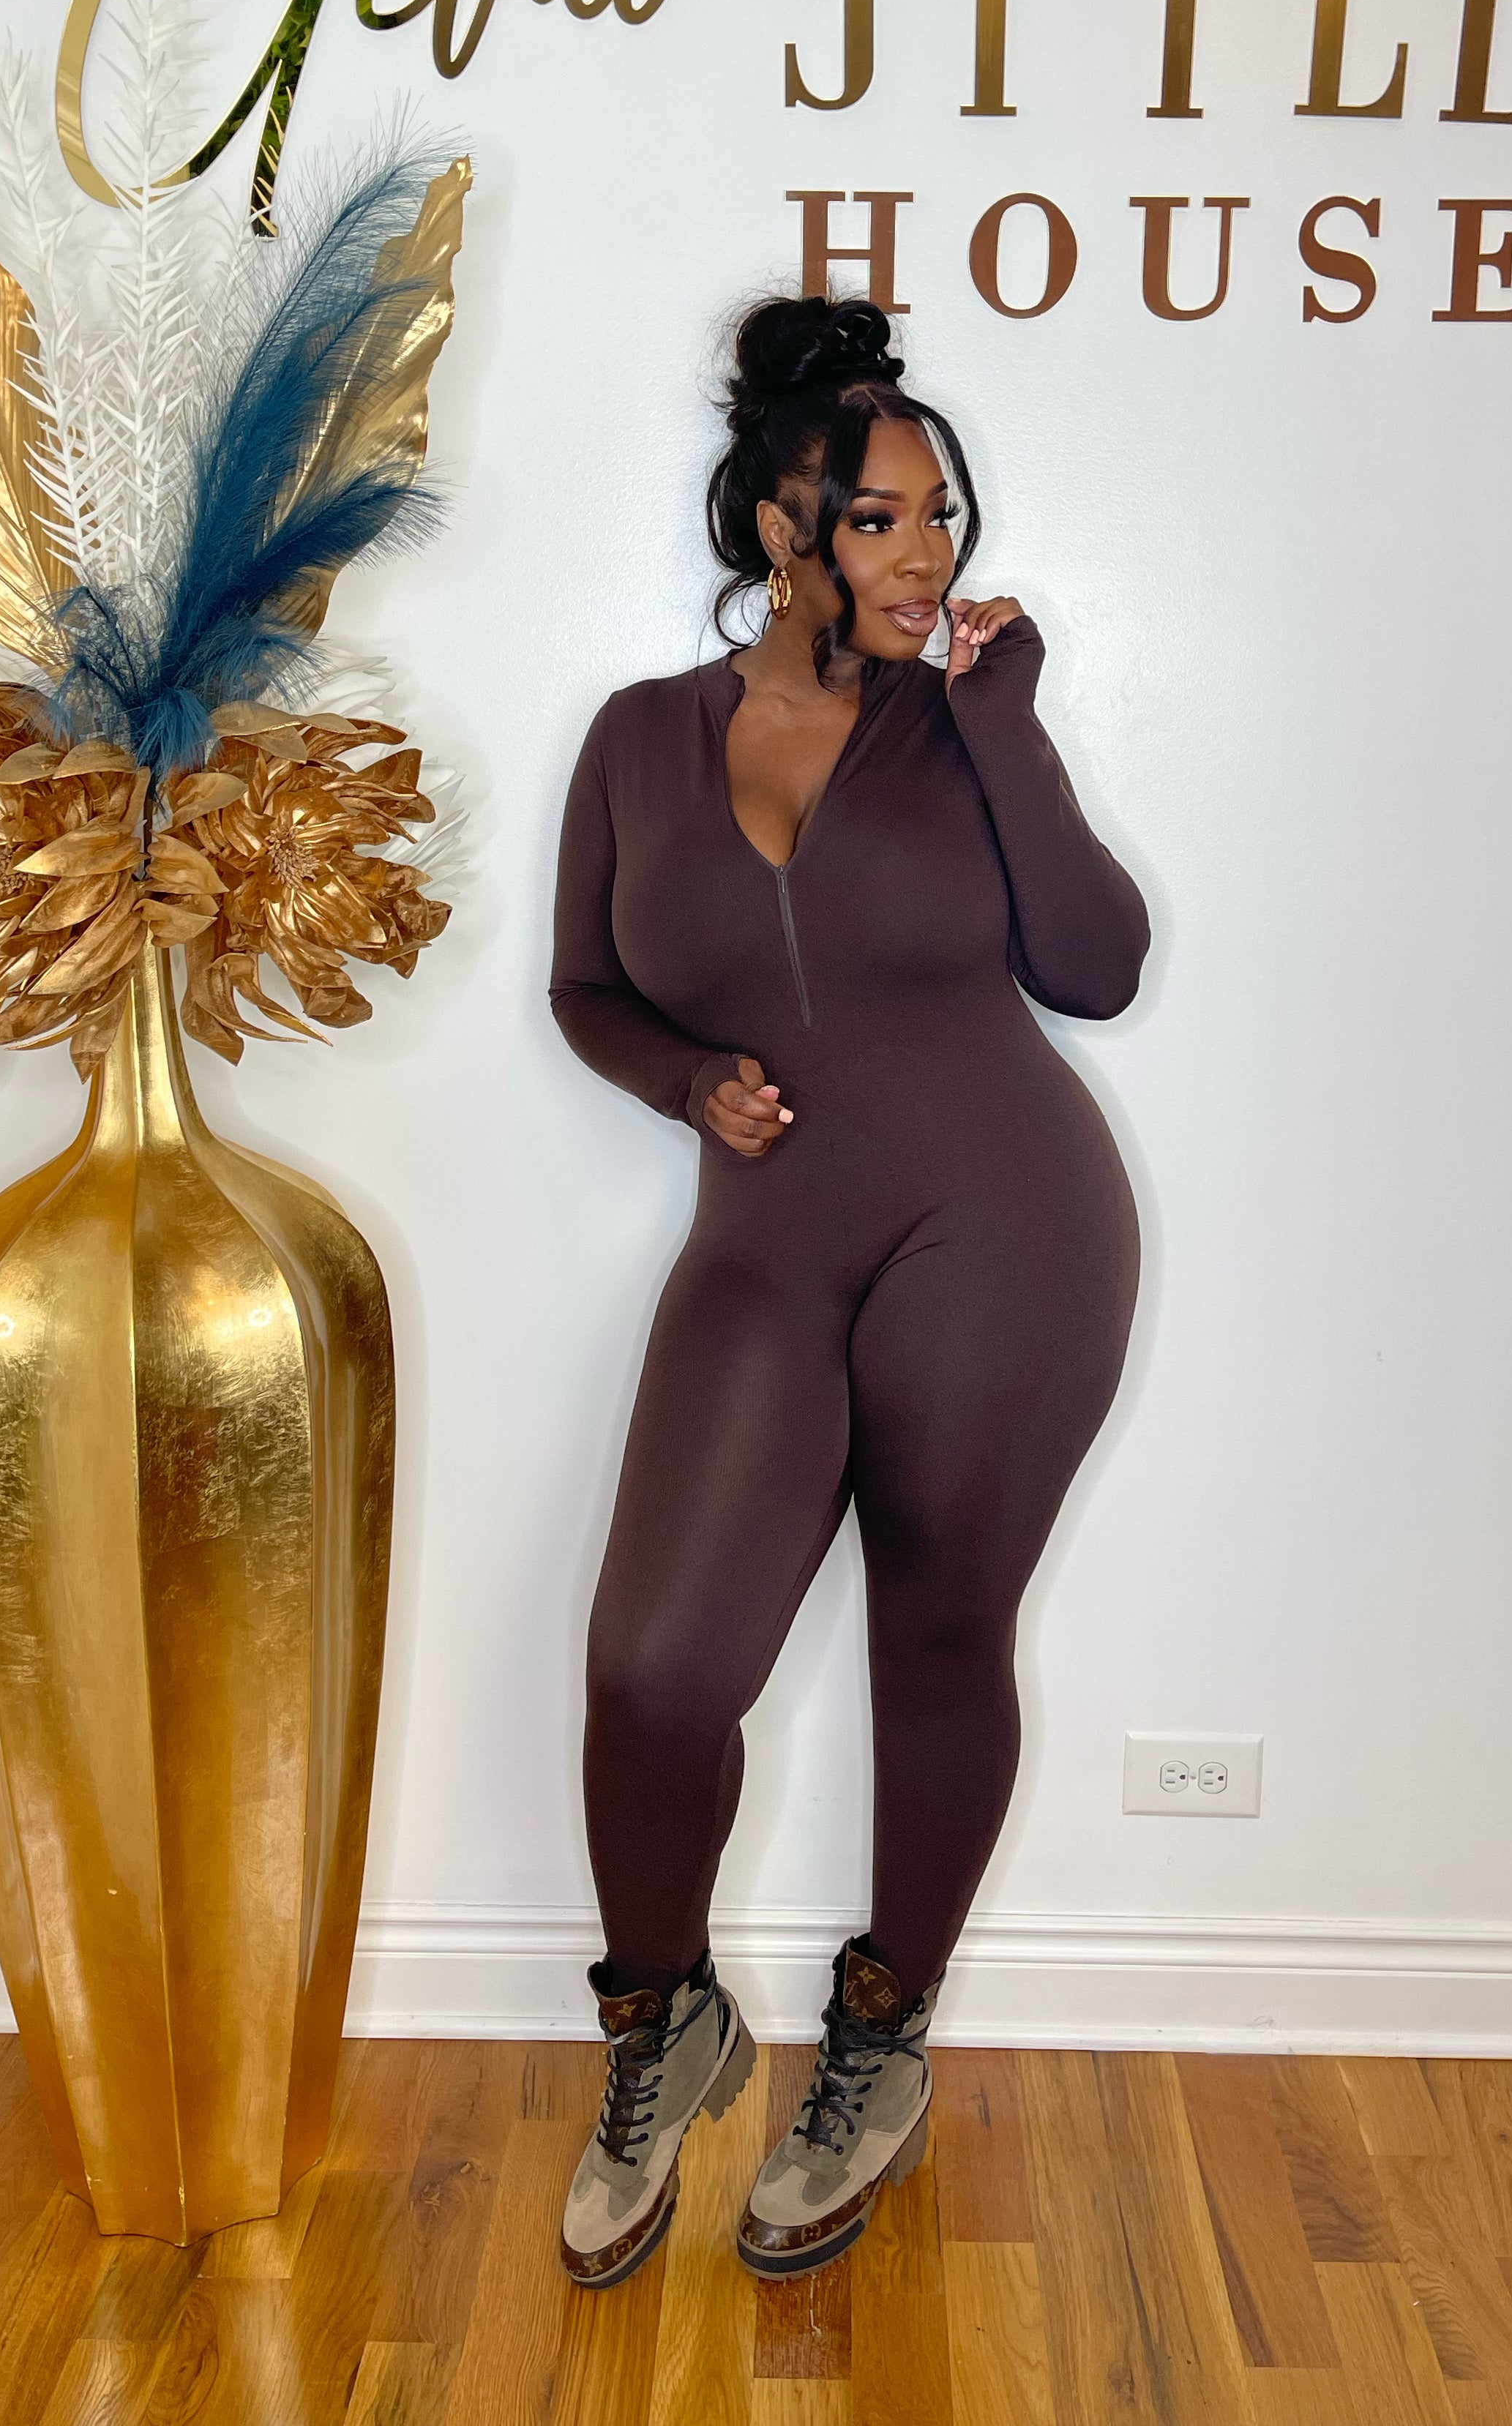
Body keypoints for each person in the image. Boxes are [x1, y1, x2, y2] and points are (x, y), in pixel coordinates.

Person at [547, 294, 1148, 2288]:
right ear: (777, 529)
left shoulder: (964, 720)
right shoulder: (638, 740)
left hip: (1009, 1230)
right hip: (766, 1253)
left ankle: (877, 2046)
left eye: (939, 516)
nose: (926, 556)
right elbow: (586, 988)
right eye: (880, 520)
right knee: (655, 1671)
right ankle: (664, 2023)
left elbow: (1098, 965)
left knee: (942, 1632)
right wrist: (681, 1082)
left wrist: (1009, 720)